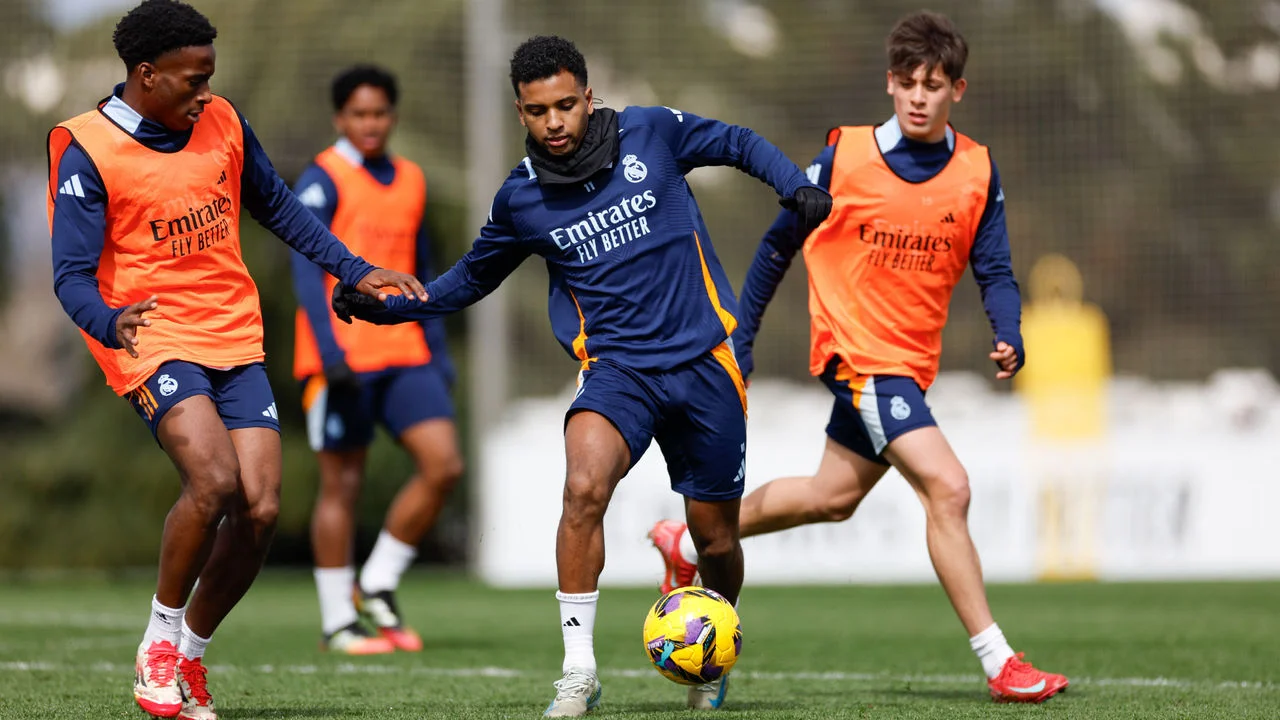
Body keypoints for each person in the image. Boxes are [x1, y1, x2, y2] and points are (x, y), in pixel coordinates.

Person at [332, 34, 830, 717]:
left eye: (567, 105)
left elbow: (738, 142)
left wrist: (795, 184)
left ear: (589, 98)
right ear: (521, 114)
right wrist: (383, 310)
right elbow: (466, 282)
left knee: (716, 537)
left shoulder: (651, 133)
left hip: (704, 364)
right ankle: (577, 672)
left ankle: (712, 649)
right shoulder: (521, 201)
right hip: (617, 372)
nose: (556, 121)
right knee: (582, 490)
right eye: (540, 112)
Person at [647, 10, 1069, 705]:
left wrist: (1009, 330)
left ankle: (685, 543)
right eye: (907, 82)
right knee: (950, 488)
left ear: (957, 89)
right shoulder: (844, 157)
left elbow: (993, 268)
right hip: (858, 357)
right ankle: (1000, 663)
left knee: (831, 498)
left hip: (908, 367)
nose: (918, 96)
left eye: (934, 84)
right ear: (890, 84)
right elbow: (778, 246)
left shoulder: (976, 171)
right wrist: (741, 339)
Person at [46, 2, 423, 718]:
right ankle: (157, 644)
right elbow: (69, 274)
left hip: (232, 334)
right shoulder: (86, 145)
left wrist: (353, 267)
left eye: (211, 78)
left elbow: (278, 207)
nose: (205, 93)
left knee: (261, 509)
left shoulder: (221, 122)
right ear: (147, 75)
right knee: (214, 480)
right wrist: (106, 320)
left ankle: (188, 659)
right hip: (148, 334)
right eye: (192, 81)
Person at [291, 64, 463, 655]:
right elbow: (305, 269)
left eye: (380, 113)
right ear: (341, 118)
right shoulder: (324, 177)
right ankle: (339, 620)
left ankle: (378, 581)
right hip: (342, 358)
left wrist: (438, 351)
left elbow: (426, 277)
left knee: (444, 465)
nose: (371, 124)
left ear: (394, 115)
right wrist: (330, 353)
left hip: (406, 351)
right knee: (342, 486)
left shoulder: (412, 179)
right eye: (359, 114)